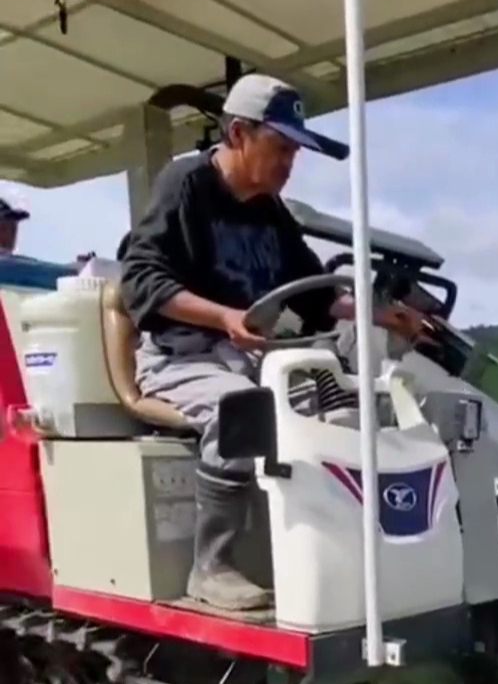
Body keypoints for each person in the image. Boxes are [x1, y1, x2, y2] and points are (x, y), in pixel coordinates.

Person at [119, 73, 427, 614]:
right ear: (238, 133)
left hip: (245, 357)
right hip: (180, 357)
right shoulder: (185, 184)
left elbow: (314, 293)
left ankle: (334, 551)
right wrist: (223, 316)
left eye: (294, 152)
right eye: (281, 147)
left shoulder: (270, 209)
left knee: (340, 406)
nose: (289, 163)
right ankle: (210, 566)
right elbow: (140, 281)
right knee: (244, 408)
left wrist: (381, 313)